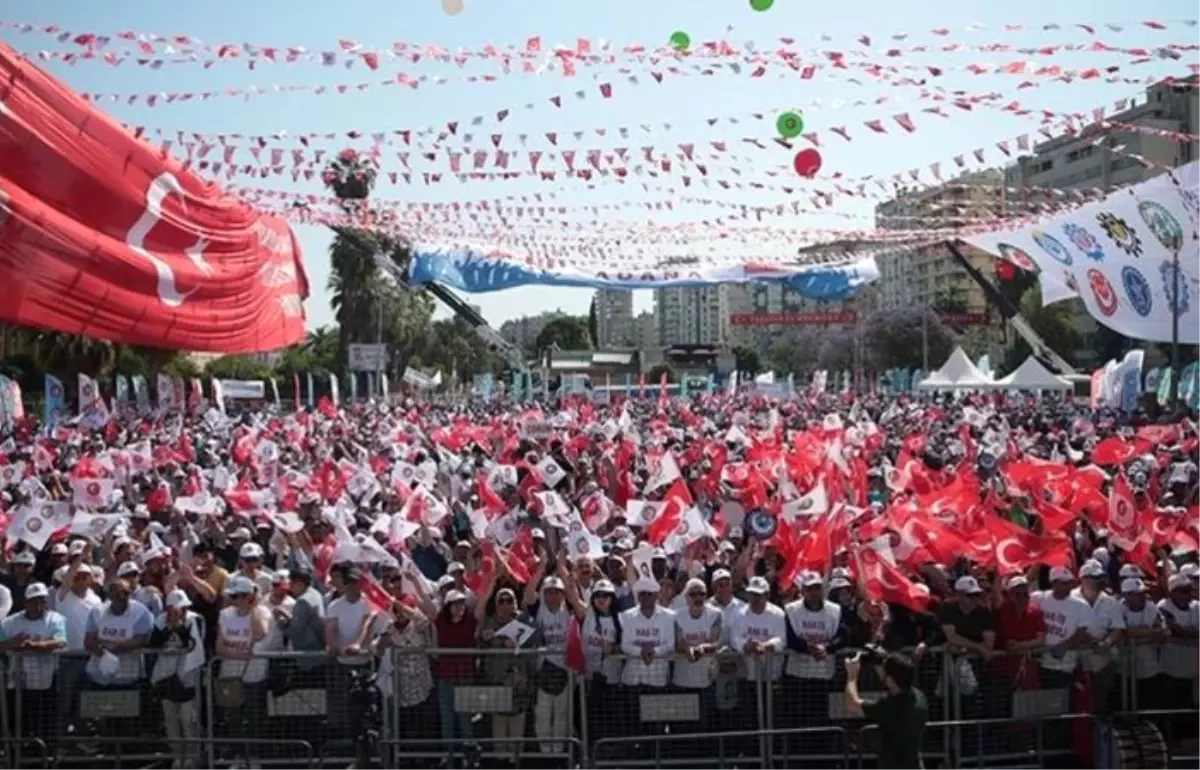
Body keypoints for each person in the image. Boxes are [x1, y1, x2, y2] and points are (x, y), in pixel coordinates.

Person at [843, 651, 928, 770]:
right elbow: (894, 681)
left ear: (891, 680)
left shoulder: (889, 707)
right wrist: (877, 659)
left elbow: (851, 704)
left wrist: (852, 675)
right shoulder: (920, 697)